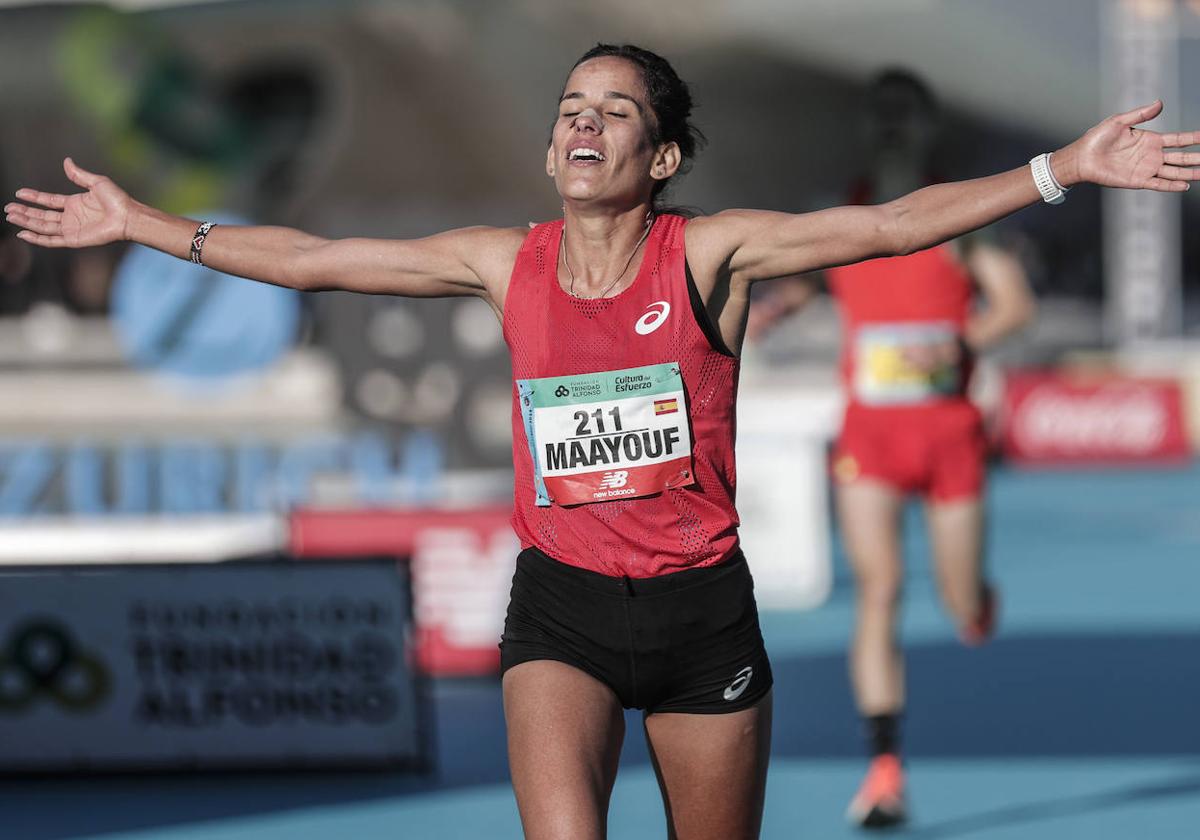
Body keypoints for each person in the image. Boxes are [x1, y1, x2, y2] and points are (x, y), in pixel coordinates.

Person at [5, 42, 1196, 840]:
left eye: (613, 112)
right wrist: (143, 224)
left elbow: (886, 227)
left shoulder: (714, 253)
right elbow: (314, 260)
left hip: (702, 619)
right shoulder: (495, 263)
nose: (583, 122)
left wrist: (1062, 168)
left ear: (659, 158)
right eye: (571, 108)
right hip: (561, 611)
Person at [747, 69, 1037, 830]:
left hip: (948, 439)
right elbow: (802, 282)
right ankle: (883, 770)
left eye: (905, 116)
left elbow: (1014, 305)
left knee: (957, 599)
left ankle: (977, 603)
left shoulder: (961, 215)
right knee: (879, 591)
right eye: (881, 115)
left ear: (928, 126)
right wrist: (771, 313)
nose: (892, 129)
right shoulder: (843, 215)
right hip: (870, 438)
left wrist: (955, 344)